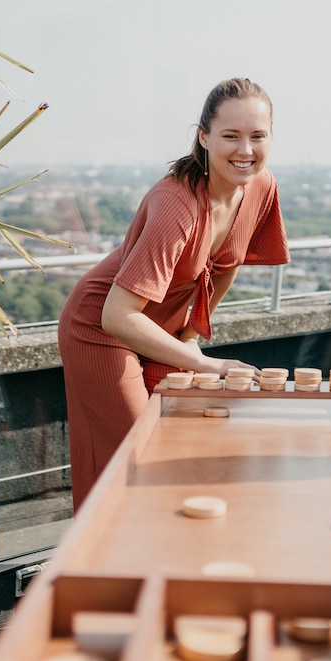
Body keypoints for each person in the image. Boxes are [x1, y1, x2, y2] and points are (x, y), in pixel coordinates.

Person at [58, 78, 288, 510]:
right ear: (203, 136)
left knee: (181, 443)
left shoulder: (260, 186)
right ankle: (110, 567)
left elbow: (227, 262)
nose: (246, 150)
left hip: (162, 326)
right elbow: (118, 315)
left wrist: (189, 337)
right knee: (140, 453)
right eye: (231, 136)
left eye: (258, 136)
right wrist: (206, 363)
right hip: (101, 326)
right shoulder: (176, 204)